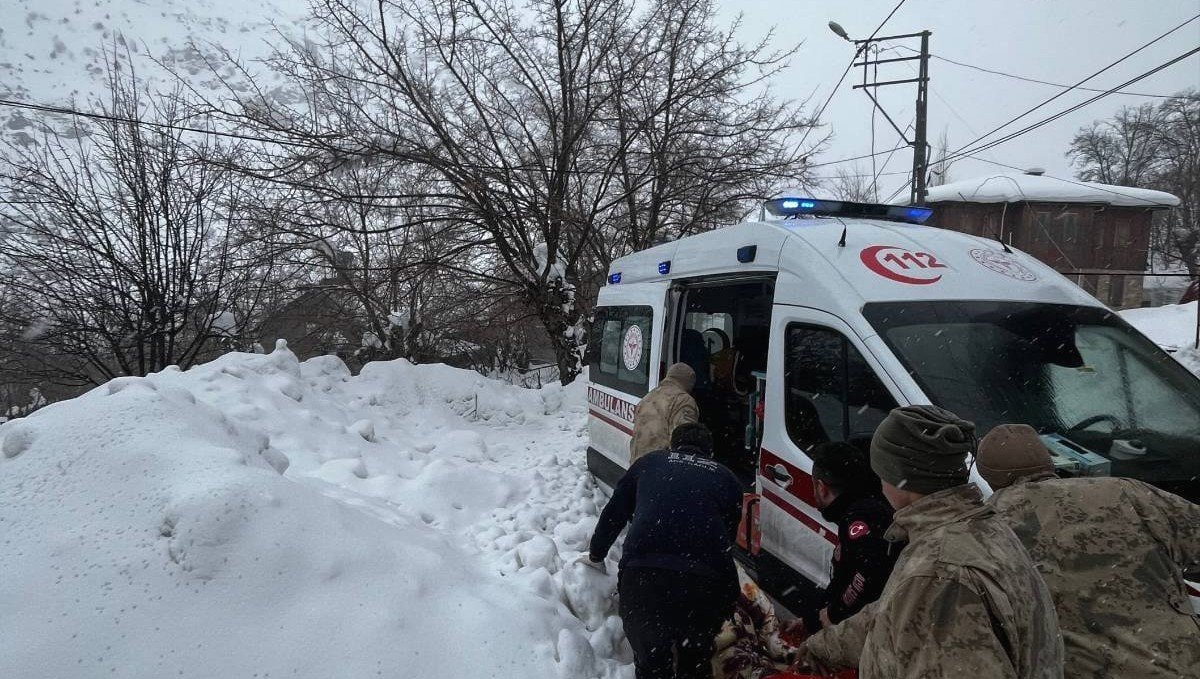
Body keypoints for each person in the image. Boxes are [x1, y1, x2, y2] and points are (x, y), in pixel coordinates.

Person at [796, 405, 1063, 679]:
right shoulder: (980, 527)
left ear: (896, 477)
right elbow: (894, 613)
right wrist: (825, 646)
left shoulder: (940, 573)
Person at [977, 424, 1200, 679]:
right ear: (1049, 461)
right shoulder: (1125, 492)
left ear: (987, 476)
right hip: (1180, 663)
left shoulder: (985, 529)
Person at [587, 422, 742, 679]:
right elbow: (726, 541)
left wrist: (596, 553)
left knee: (651, 663)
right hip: (702, 585)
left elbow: (614, 513)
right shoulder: (727, 478)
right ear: (710, 452)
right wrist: (725, 600)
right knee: (694, 662)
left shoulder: (649, 463)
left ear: (672, 445)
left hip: (643, 578)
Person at [807, 442, 900, 631]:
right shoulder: (871, 503)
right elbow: (844, 576)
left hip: (878, 629)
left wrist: (836, 613)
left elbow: (869, 572)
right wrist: (811, 620)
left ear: (821, 488)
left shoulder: (859, 517)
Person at [629, 362, 699, 464]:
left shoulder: (649, 396)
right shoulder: (684, 400)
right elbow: (684, 442)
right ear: (688, 381)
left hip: (638, 464)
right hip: (661, 468)